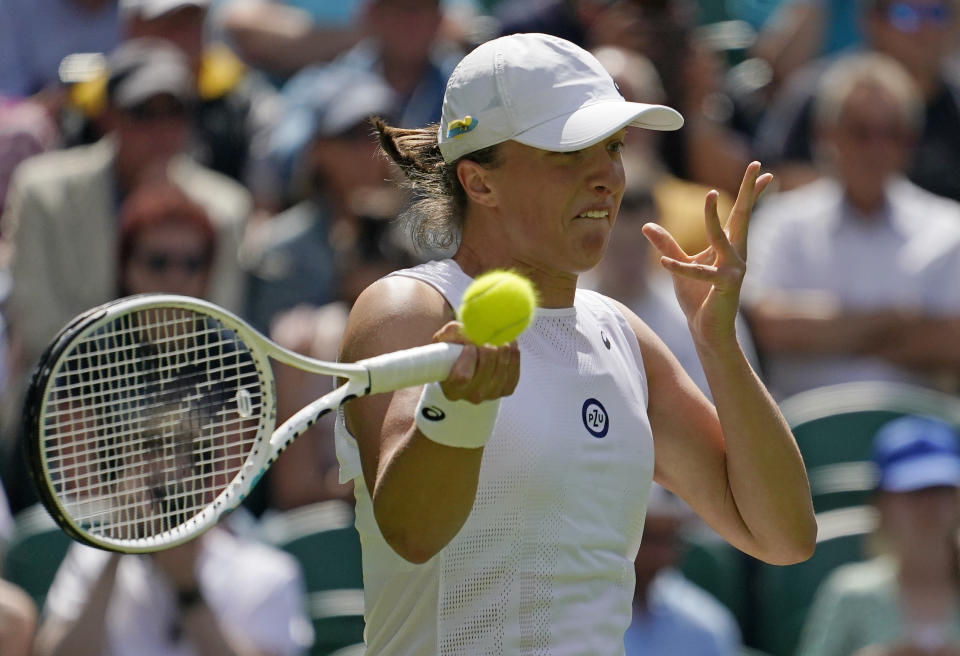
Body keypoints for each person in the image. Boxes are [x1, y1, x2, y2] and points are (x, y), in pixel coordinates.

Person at [334, 32, 816, 654]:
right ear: (480, 183)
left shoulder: (622, 337)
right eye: (569, 153)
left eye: (612, 147)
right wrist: (458, 408)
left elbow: (782, 536)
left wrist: (718, 343)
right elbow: (412, 531)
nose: (606, 178)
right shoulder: (407, 309)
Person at [742, 52, 960, 400]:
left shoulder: (949, 226)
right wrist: (898, 321)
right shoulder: (782, 221)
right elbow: (770, 327)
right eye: (861, 132)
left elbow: (952, 344)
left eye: (893, 133)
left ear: (910, 142)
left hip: (918, 439)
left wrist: (827, 333)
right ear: (827, 136)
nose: (878, 148)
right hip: (801, 441)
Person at [754, 0, 960, 198]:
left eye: (936, 14)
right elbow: (777, 177)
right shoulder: (820, 91)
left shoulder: (955, 102)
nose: (924, 29)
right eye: (905, 15)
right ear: (874, 21)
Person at [796, 415, 960, 656]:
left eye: (940, 490)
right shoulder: (849, 593)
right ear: (882, 503)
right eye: (914, 492)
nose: (930, 506)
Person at [623, 484, 742, 655]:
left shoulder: (706, 626)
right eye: (647, 537)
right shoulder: (581, 609)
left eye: (669, 539)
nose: (659, 555)